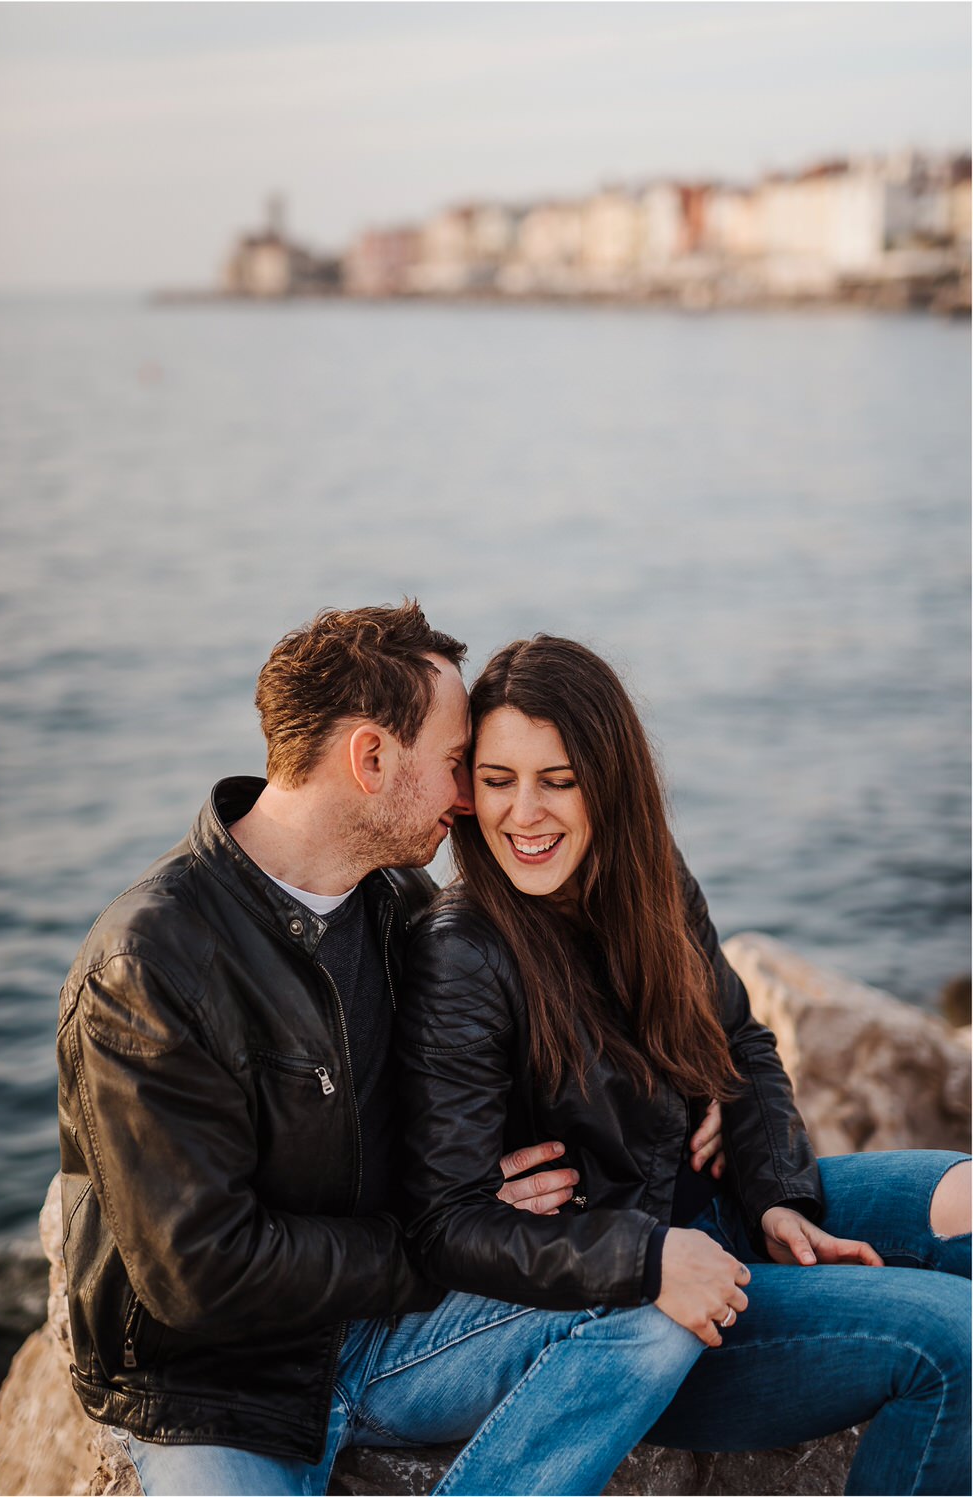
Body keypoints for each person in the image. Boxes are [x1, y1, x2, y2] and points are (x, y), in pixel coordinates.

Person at [56, 601, 726, 1497]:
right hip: (214, 1389)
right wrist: (438, 1243)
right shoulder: (150, 964)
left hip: (390, 1336)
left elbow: (494, 1070)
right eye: (458, 765)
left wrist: (693, 1085)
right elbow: (200, 1273)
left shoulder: (398, 909)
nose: (469, 798)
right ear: (371, 759)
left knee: (644, 1309)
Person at [398, 634, 971, 1497]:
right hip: (652, 1302)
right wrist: (653, 1252)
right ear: (469, 790)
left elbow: (742, 1043)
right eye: (497, 780)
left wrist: (779, 1193)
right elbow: (452, 1224)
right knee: (954, 1343)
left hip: (736, 1212)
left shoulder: (651, 877)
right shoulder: (464, 952)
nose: (526, 813)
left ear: (610, 778)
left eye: (559, 779)